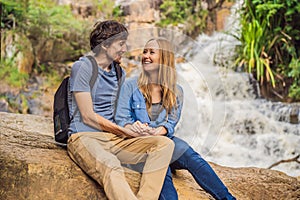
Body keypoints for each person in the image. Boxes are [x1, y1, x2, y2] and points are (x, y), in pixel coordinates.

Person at [115, 37, 236, 200]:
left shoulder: (176, 91)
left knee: (193, 158)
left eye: (152, 52)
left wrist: (161, 130)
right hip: (138, 144)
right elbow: (121, 119)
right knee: (162, 173)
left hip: (165, 140)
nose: (146, 56)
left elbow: (171, 122)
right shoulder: (129, 86)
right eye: (145, 51)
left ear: (164, 58)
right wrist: (133, 127)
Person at [67, 21, 174, 200]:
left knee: (164, 145)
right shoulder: (83, 67)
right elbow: (87, 116)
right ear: (105, 45)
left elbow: (120, 113)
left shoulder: (119, 73)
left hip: (114, 139)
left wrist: (135, 128)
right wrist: (123, 131)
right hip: (84, 137)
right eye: (121, 44)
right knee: (111, 166)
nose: (125, 49)